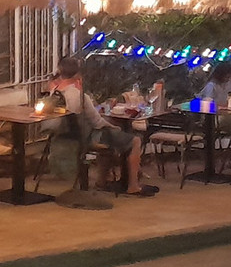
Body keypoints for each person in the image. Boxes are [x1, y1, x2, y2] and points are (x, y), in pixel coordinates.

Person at [49, 57, 156, 197]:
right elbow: (97, 122)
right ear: (78, 74)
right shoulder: (81, 96)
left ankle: (102, 181)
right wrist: (113, 126)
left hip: (67, 136)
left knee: (111, 142)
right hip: (88, 137)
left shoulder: (55, 93)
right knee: (135, 141)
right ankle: (133, 186)